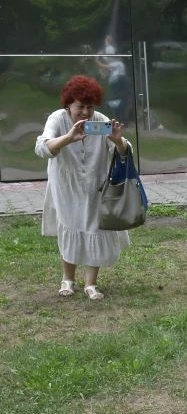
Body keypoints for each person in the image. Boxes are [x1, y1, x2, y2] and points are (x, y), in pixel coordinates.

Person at [35, 75, 132, 301]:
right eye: (80, 107)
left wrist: (118, 140)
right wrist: (68, 137)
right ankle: (67, 279)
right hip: (66, 187)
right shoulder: (58, 119)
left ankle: (91, 284)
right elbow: (42, 148)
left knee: (94, 229)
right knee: (69, 227)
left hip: (95, 188)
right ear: (68, 104)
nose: (86, 113)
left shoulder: (99, 120)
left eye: (90, 107)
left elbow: (124, 151)